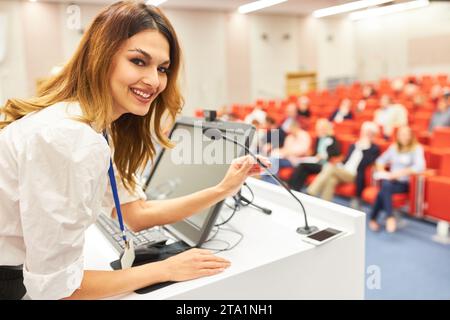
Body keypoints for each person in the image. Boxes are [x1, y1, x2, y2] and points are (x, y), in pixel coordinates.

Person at [0, 2, 269, 300]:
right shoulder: (69, 138)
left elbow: (136, 213)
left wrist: (223, 188)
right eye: (139, 61)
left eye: (162, 68)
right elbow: (56, 290)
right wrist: (165, 269)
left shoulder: (94, 125)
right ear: (101, 57)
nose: (155, 81)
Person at [369, 126, 425, 233]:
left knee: (383, 190)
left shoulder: (417, 148)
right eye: (400, 135)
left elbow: (420, 166)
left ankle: (374, 218)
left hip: (404, 183)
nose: (403, 137)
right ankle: (389, 217)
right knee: (386, 186)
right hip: (390, 181)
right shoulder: (394, 147)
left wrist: (400, 173)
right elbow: (380, 160)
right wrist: (383, 171)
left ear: (410, 136)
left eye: (405, 134)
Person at [306, 122, 380, 203]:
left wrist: (364, 148)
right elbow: (346, 160)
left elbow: (366, 163)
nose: (365, 135)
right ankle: (325, 204)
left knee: (330, 167)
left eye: (369, 133)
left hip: (354, 174)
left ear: (373, 135)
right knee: (331, 180)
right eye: (365, 132)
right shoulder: (354, 145)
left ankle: (311, 192)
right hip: (343, 170)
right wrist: (339, 165)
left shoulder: (373, 149)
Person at [289, 119, 341, 192]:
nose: (319, 131)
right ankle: (295, 188)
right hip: (316, 161)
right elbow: (315, 153)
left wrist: (325, 156)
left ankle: (292, 187)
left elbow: (336, 152)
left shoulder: (332, 139)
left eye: (320, 129)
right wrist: (311, 155)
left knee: (303, 166)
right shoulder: (319, 138)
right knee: (303, 168)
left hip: (324, 164)